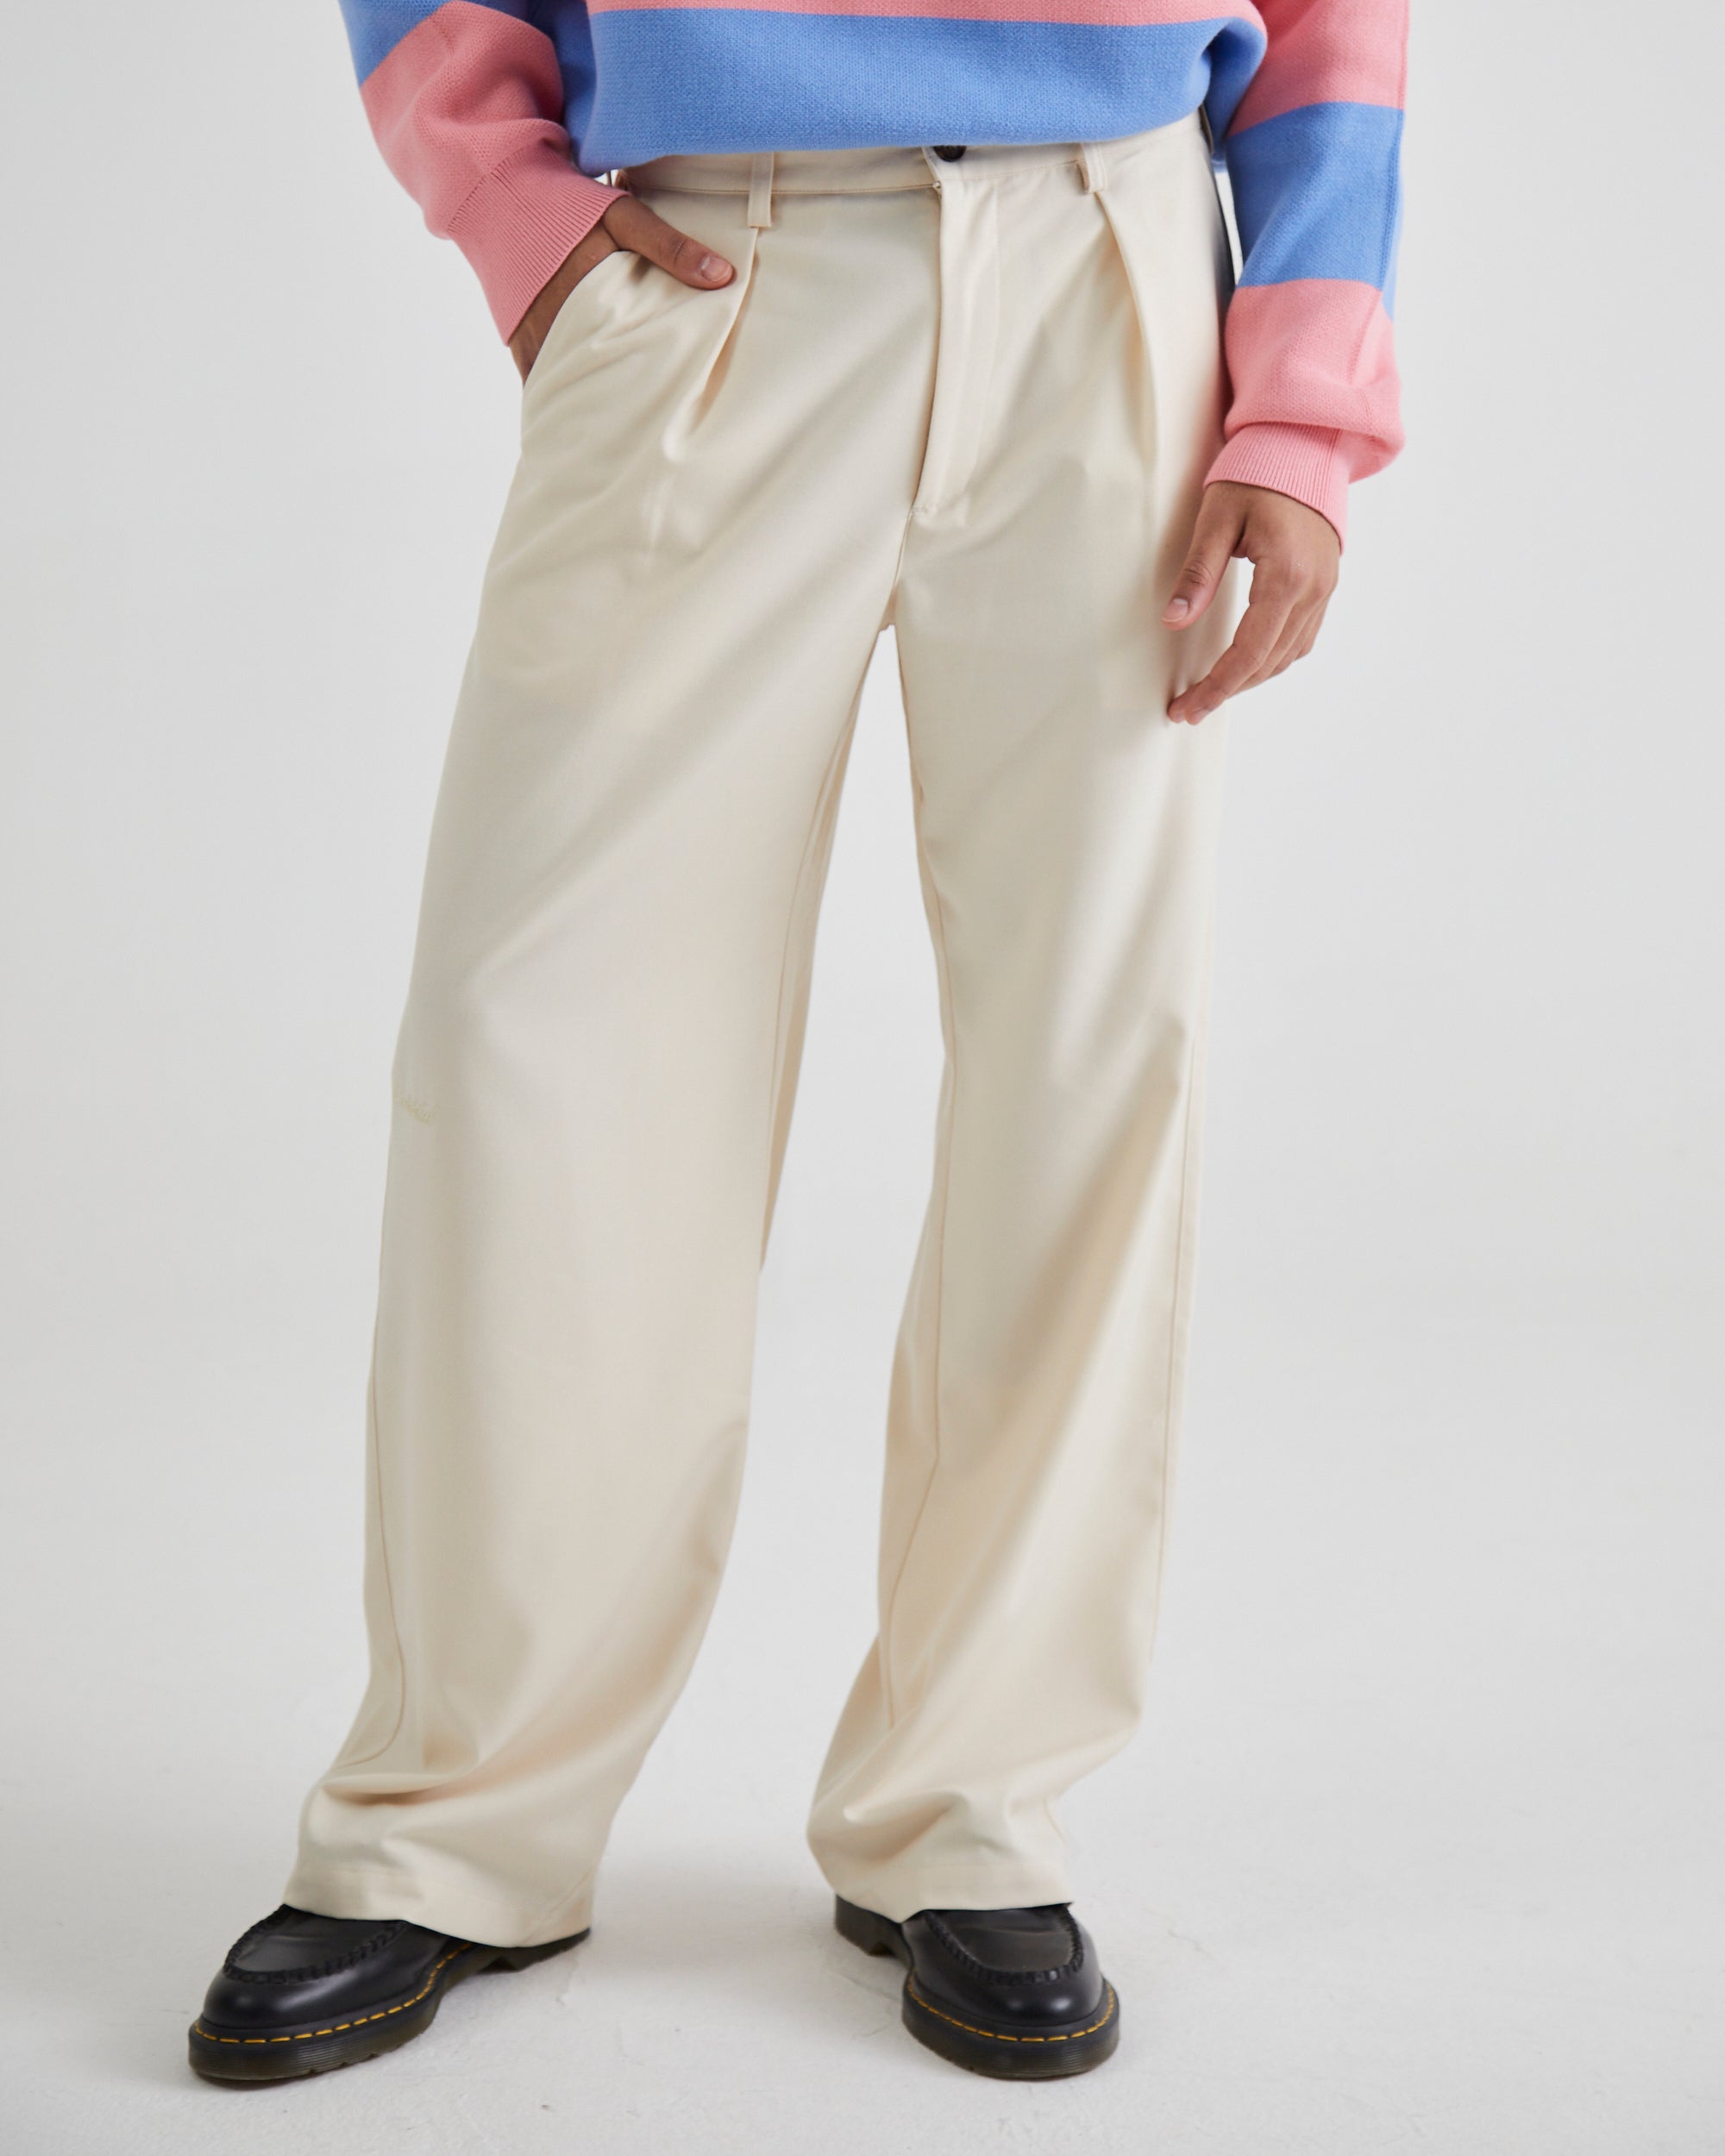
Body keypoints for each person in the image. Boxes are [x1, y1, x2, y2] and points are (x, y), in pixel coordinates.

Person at [188, 0, 1406, 2085]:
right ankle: (458, 1814)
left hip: (1114, 258)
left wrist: (1300, 401)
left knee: (1081, 1059)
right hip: (709, 256)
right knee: (538, 1047)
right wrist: (509, 201)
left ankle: (972, 1799)